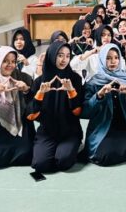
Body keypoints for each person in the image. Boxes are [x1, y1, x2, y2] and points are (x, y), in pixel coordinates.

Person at [27, 41, 84, 173]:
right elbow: (30, 115)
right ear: (52, 56)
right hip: (47, 132)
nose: (64, 60)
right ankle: (56, 151)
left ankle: (73, 147)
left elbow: (78, 112)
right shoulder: (39, 81)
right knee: (40, 165)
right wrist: (41, 93)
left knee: (63, 161)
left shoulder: (75, 79)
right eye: (60, 55)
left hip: (70, 132)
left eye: (68, 56)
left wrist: (71, 91)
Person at [82, 44, 126, 166]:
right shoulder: (93, 82)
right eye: (108, 58)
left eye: (116, 57)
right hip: (102, 127)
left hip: (125, 126)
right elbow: (86, 111)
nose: (113, 61)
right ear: (102, 59)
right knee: (103, 156)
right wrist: (99, 95)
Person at [0, 47, 35, 168]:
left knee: (27, 153)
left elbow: (34, 105)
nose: (10, 65)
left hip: (19, 126)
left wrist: (26, 90)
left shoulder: (22, 77)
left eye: (13, 61)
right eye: (5, 61)